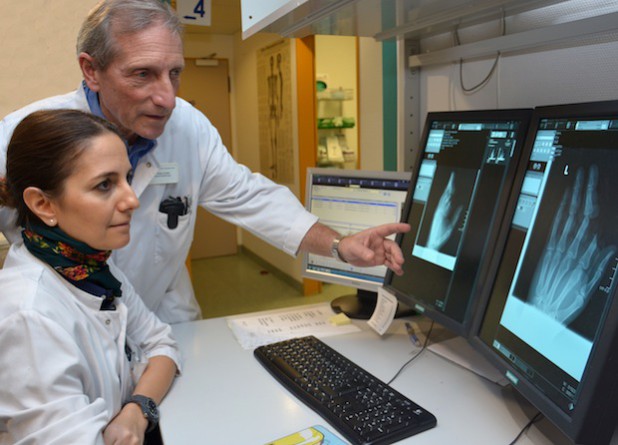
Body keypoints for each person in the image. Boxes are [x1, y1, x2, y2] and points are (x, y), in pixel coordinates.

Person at [0, 0, 410, 324]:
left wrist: (339, 245)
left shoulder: (187, 127)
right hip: (68, 328)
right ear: (92, 70)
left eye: (174, 73)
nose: (166, 97)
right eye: (142, 74)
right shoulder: (26, 134)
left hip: (163, 319)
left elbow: (250, 197)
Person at [0, 109, 180, 444]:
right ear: (43, 204)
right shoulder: (30, 316)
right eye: (104, 185)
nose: (132, 200)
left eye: (127, 178)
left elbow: (162, 345)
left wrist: (136, 410)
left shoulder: (92, 268)